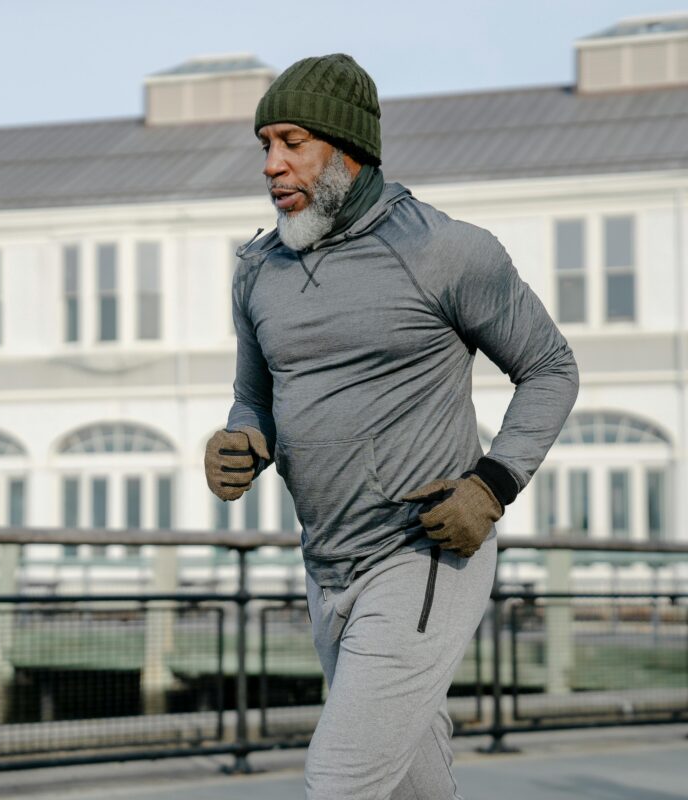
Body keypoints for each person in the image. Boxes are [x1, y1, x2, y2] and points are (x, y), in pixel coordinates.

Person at [204, 53, 579, 800]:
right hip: (326, 563)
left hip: (422, 555)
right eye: (265, 145)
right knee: (411, 784)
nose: (272, 165)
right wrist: (241, 440)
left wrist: (492, 485)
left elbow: (550, 368)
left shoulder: (444, 250)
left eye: (293, 143)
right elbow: (255, 398)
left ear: (349, 149)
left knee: (339, 783)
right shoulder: (257, 268)